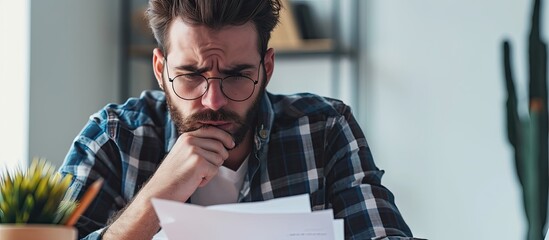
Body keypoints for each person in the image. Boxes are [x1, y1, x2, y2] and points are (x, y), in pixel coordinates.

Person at [59, 0, 414, 239]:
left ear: (267, 68)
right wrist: (158, 195)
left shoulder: (325, 129)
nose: (214, 100)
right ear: (160, 69)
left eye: (237, 75)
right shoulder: (114, 136)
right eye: (191, 75)